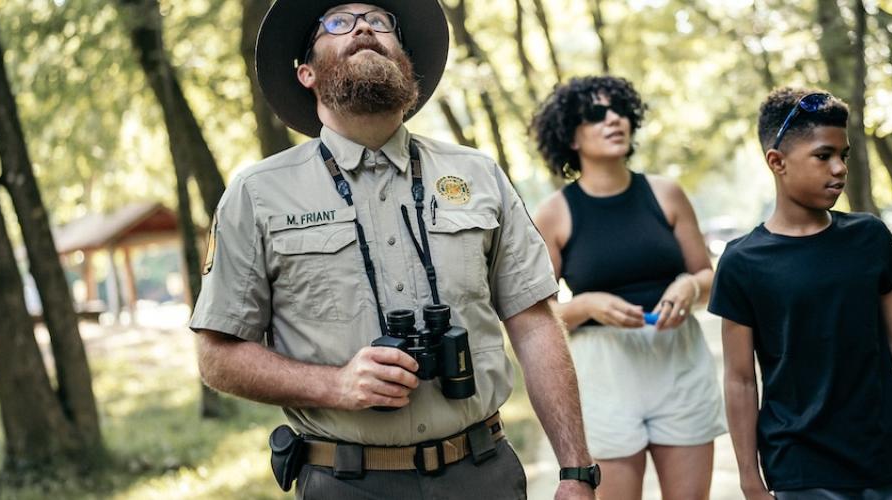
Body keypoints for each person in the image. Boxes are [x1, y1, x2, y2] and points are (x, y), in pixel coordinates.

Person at [189, 2, 599, 498]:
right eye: (338, 22)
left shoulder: (478, 175)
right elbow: (216, 356)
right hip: (346, 483)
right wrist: (336, 385)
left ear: (407, 65)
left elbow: (534, 323)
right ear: (307, 72)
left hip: (483, 473)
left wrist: (576, 471)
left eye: (381, 22)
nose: (364, 26)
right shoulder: (256, 195)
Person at [708, 88, 892, 500]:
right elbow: (741, 380)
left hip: (890, 457)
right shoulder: (743, 262)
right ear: (777, 162)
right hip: (802, 468)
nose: (839, 168)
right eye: (823, 155)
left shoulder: (868, 236)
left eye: (844, 155)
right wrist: (749, 478)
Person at [530, 75, 727, 500]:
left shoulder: (667, 194)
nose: (613, 119)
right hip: (603, 374)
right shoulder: (555, 214)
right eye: (596, 114)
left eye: (620, 110)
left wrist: (690, 287)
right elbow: (535, 318)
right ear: (570, 135)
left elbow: (710, 277)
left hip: (679, 363)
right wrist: (585, 305)